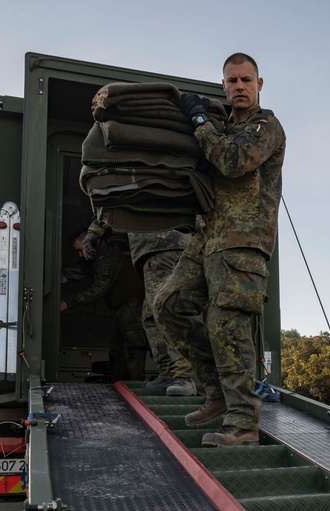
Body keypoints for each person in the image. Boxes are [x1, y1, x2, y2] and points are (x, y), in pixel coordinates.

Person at [156, 52, 285, 447]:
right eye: (232, 81)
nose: (239, 87)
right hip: (208, 238)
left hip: (242, 244)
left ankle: (243, 425)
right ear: (224, 85)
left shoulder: (266, 126)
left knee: (228, 327)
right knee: (169, 304)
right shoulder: (223, 126)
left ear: (259, 84)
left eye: (246, 80)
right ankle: (214, 394)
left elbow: (233, 161)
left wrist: (198, 122)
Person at [62, 227, 148, 381]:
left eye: (81, 250)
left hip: (132, 306)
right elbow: (79, 271)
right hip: (123, 308)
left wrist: (70, 302)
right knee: (117, 348)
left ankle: (136, 385)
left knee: (133, 345)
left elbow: (99, 288)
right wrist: (60, 273)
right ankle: (122, 383)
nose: (80, 255)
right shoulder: (95, 260)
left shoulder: (105, 257)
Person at [128, 229, 196, 396]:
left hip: (161, 244)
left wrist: (95, 231)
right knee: (150, 317)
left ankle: (182, 375)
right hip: (159, 246)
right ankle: (168, 373)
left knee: (165, 311)